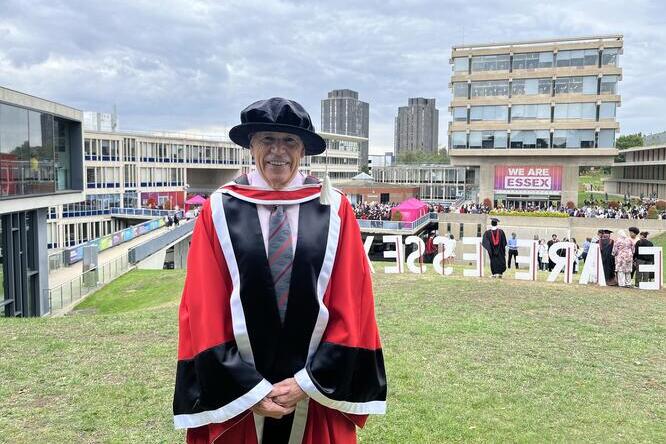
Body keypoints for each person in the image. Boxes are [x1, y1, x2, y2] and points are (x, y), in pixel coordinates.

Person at [172, 98, 387, 443]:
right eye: (267, 139)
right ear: (251, 144)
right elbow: (202, 308)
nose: (278, 151)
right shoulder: (218, 211)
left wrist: (307, 382)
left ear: (303, 149)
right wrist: (249, 390)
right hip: (241, 400)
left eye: (289, 141)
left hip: (312, 397)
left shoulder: (334, 209)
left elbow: (353, 302)